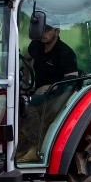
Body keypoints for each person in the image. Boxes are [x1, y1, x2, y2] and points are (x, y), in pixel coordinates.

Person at [17, 19, 79, 163]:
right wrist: (25, 82)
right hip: (38, 91)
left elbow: (71, 81)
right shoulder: (36, 45)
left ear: (57, 31)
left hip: (57, 95)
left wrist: (49, 87)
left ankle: (36, 147)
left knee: (27, 104)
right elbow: (26, 59)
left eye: (48, 30)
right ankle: (20, 146)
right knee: (18, 101)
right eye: (41, 29)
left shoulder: (65, 52)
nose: (43, 33)